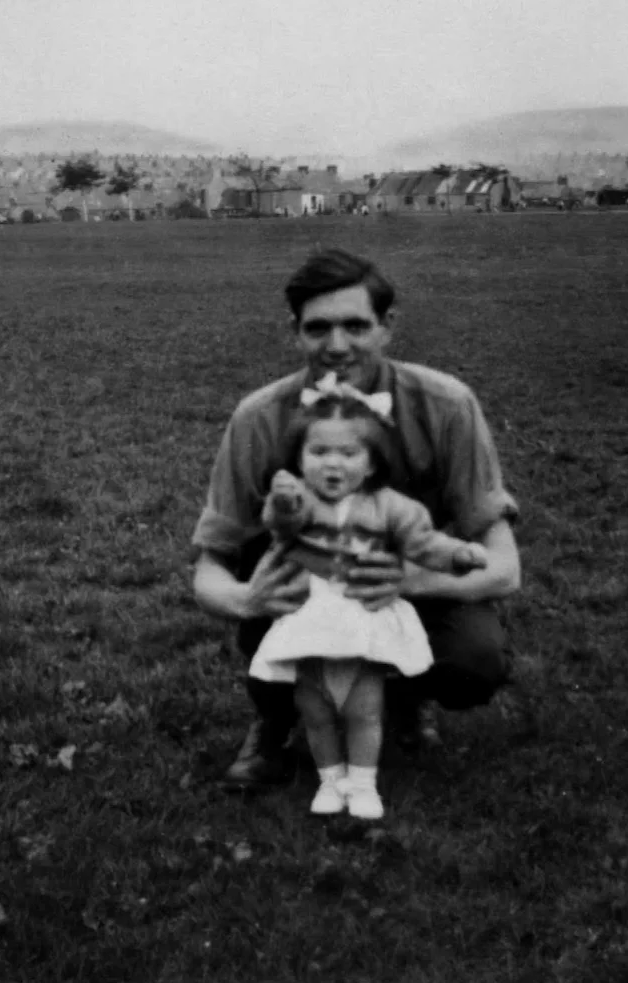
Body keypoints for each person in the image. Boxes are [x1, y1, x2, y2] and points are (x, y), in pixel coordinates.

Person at [192, 247, 521, 790]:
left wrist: (411, 580)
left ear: (387, 327)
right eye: (317, 328)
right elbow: (210, 569)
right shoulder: (258, 418)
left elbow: (505, 568)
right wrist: (246, 601)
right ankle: (274, 720)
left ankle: (403, 698)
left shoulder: (447, 405)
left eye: (355, 325)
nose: (336, 346)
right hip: (302, 590)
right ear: (295, 332)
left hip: (412, 585)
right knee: (266, 564)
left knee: (475, 661)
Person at [252, 382, 489, 818]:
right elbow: (281, 522)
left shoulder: (389, 506)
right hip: (311, 617)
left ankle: (362, 784)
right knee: (316, 708)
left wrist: (456, 554)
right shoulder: (300, 500)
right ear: (299, 458)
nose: (332, 464)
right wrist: (282, 502)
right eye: (318, 452)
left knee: (364, 709)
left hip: (362, 616)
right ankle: (329, 779)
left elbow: (424, 544)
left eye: (348, 454)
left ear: (373, 461)